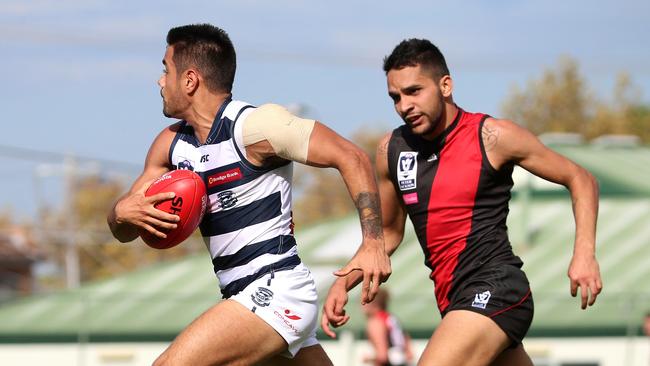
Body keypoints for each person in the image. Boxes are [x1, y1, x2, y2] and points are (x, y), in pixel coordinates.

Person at [106, 23, 391, 365]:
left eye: (166, 70)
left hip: (277, 290)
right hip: (242, 297)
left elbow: (352, 156)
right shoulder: (170, 145)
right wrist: (122, 212)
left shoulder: (255, 127)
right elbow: (122, 228)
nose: (160, 81)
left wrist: (373, 242)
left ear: (190, 80)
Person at [322, 38, 603, 366]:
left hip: (496, 287)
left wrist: (584, 255)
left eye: (414, 91)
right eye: (395, 97)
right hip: (454, 299)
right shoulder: (392, 150)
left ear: (445, 85)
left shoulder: (493, 137)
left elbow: (582, 179)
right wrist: (344, 283)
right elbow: (386, 234)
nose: (404, 105)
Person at [362, 288, 413, 366]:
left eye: (363, 301)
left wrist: (368, 359)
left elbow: (383, 357)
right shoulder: (391, 318)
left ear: (372, 303)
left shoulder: (375, 322)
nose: (362, 305)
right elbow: (408, 351)